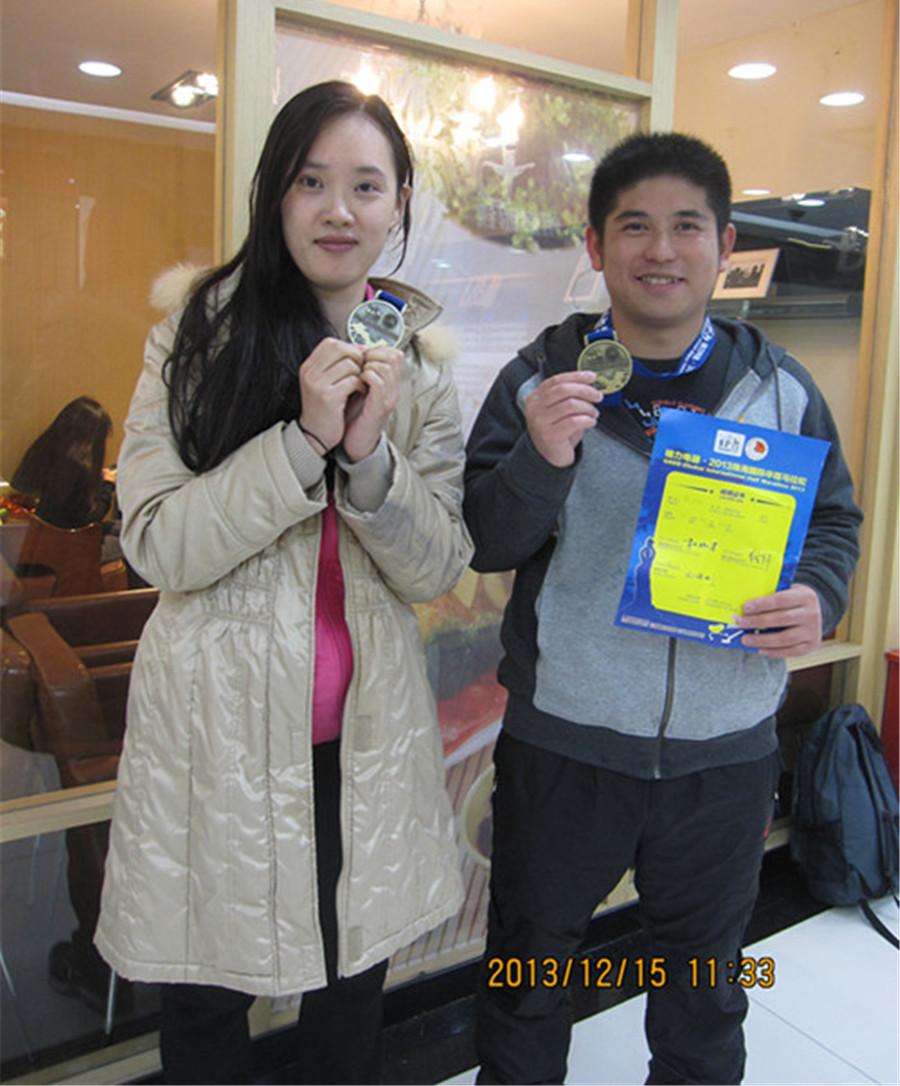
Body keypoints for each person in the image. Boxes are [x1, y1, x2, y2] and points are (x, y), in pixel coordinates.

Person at [463, 132, 862, 1085]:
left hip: (724, 755)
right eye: (634, 226)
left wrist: (819, 595)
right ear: (596, 247)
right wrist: (539, 459)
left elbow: (833, 522)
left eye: (687, 226)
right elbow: (487, 540)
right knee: (528, 978)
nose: (661, 250)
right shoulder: (538, 380)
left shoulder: (779, 389)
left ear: (725, 246)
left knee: (706, 991)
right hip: (566, 746)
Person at [95, 80, 472, 1084]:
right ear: (274, 193)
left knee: (350, 997)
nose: (338, 210)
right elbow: (157, 543)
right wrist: (302, 443)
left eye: (366, 186)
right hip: (214, 743)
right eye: (311, 181)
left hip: (364, 747)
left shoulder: (423, 366)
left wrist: (370, 458)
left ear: (398, 204)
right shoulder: (197, 336)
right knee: (205, 1001)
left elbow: (438, 563)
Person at [11, 395, 116, 530]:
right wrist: (107, 485)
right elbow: (88, 520)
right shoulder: (80, 468)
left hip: (30, 535)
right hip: (65, 540)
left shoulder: (40, 450)